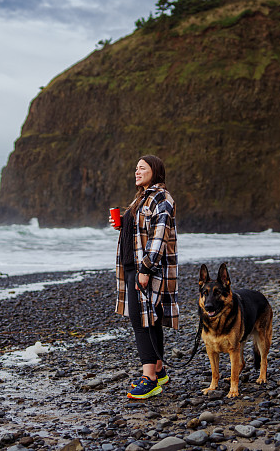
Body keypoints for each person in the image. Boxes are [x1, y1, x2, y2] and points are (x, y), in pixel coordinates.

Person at [110, 155, 179, 400]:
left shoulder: (161, 198)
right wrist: (122, 225)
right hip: (133, 267)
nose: (136, 172)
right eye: (135, 168)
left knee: (142, 321)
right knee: (151, 317)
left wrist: (146, 269)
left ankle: (149, 379)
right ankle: (158, 370)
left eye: (142, 168)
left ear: (155, 171)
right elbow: (142, 229)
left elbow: (159, 237)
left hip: (146, 269)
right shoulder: (142, 197)